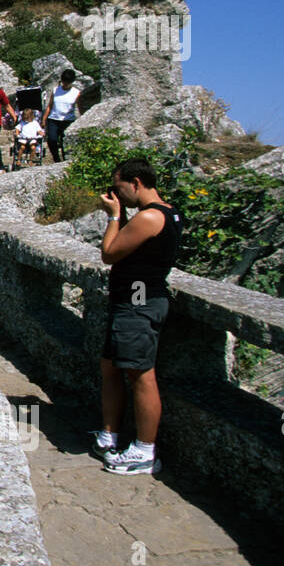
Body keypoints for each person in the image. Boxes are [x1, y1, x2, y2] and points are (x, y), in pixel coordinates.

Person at [90, 158, 182, 475]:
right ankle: (109, 435)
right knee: (111, 366)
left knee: (140, 374)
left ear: (137, 182)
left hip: (138, 303)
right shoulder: (168, 212)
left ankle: (144, 452)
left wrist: (114, 216)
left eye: (119, 187)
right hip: (133, 300)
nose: (118, 193)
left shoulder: (151, 217)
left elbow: (110, 253)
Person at [41, 69, 81, 163]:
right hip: (53, 119)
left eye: (67, 82)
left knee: (64, 142)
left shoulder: (76, 93)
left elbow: (79, 107)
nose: (65, 84)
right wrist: (44, 119)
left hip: (67, 121)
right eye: (64, 82)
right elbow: (50, 105)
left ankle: (65, 160)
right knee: (52, 140)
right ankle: (56, 158)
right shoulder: (56, 90)